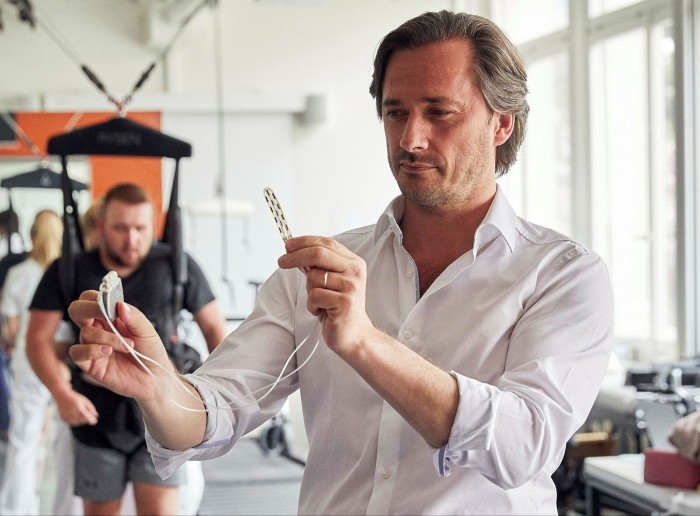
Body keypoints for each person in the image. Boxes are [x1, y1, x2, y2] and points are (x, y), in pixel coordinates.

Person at [66, 11, 614, 514]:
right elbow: (221, 410)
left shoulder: (563, 276)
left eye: (439, 112)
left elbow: (524, 446)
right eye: (395, 113)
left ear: (502, 124)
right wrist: (157, 384)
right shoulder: (317, 270)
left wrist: (364, 341)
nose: (410, 138)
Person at [27, 183, 227, 516]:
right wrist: (62, 394)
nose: (131, 239)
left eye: (140, 229)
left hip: (162, 415)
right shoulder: (69, 269)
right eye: (121, 228)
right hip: (96, 417)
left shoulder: (176, 265)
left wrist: (214, 397)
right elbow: (36, 340)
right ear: (102, 225)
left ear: (153, 226)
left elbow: (214, 329)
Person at [0, 209, 71, 515]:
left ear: (31, 235)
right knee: (66, 445)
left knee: (23, 445)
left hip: (28, 364)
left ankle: (17, 510)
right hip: (63, 364)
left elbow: (11, 331)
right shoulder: (67, 273)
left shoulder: (18, 274)